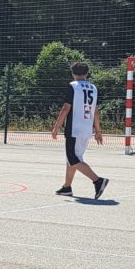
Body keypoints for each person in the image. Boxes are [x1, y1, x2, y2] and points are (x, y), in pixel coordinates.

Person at [51, 62, 108, 199]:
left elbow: (66, 108)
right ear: (87, 73)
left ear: (73, 73)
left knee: (73, 159)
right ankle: (67, 187)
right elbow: (95, 111)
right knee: (73, 158)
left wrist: (56, 127)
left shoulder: (73, 86)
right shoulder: (93, 88)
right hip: (87, 129)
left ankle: (98, 181)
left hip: (74, 129)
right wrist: (98, 131)